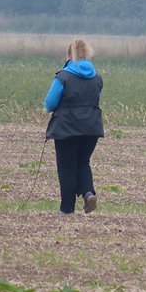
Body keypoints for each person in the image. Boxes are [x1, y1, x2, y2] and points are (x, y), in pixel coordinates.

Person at [44, 38, 104, 215]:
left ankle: (67, 209)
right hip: (92, 128)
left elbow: (50, 103)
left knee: (67, 167)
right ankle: (88, 192)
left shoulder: (63, 76)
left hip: (66, 129)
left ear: (69, 55)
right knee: (83, 162)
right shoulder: (97, 78)